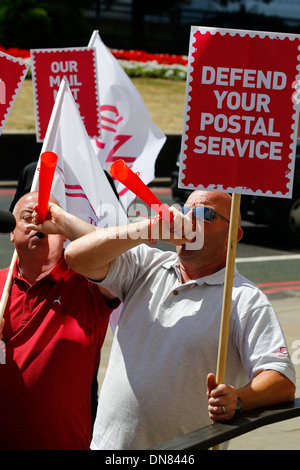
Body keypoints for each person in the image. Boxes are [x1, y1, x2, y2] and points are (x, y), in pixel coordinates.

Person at [28, 190, 296, 450]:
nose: (189, 219)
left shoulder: (244, 299)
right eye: (184, 209)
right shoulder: (148, 264)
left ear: (233, 236)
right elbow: (77, 256)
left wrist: (239, 399)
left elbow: (280, 379)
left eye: (205, 214)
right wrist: (150, 228)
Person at [0, 191, 117, 450]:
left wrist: (64, 221)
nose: (37, 224)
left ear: (64, 233)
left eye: (47, 218)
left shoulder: (88, 284)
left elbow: (113, 254)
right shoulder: (0, 286)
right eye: (27, 217)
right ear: (11, 232)